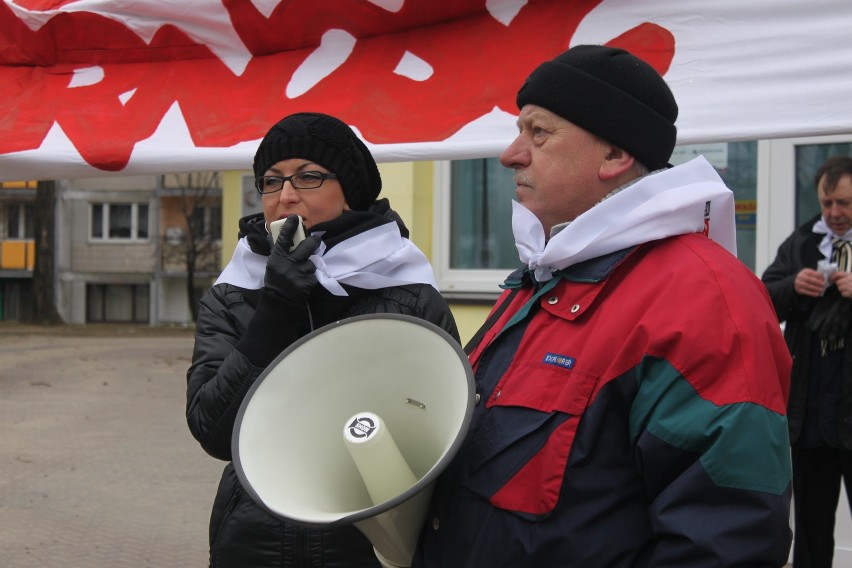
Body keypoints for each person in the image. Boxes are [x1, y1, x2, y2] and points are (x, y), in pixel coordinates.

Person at [412, 45, 793, 567]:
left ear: (615, 155)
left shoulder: (703, 298)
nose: (510, 154)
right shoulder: (543, 276)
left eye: (537, 132)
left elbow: (725, 540)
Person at [186, 112, 459, 568]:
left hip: (372, 544)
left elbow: (440, 429)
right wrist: (275, 311)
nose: (286, 196)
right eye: (271, 182)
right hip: (255, 542)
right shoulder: (234, 292)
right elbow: (213, 431)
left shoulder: (408, 292)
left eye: (308, 177)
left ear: (349, 189)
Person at [762, 155, 852, 568]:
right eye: (827, 202)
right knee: (812, 533)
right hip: (811, 415)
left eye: (845, 203)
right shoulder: (801, 242)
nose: (834, 213)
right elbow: (762, 299)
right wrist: (792, 286)